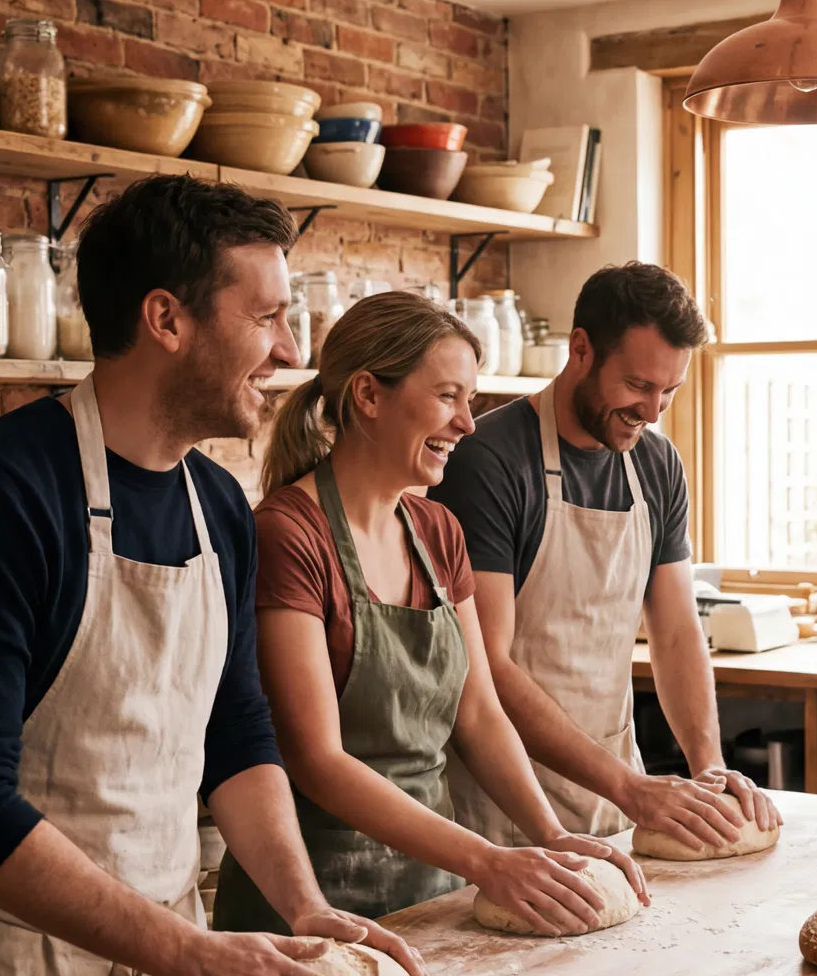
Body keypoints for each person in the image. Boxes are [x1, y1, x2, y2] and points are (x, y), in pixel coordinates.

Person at [0, 176, 427, 976]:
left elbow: (236, 733)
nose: (292, 351)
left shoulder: (218, 505)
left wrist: (302, 906)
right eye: (265, 317)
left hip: (172, 968)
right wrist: (184, 954)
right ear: (167, 319)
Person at [210, 292, 648, 939]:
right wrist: (485, 859)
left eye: (469, 400)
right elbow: (317, 759)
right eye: (448, 397)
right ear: (368, 395)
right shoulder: (288, 535)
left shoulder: (437, 530)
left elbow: (479, 715)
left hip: (433, 893)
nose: (467, 424)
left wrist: (550, 834)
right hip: (307, 907)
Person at [430, 262, 779, 851]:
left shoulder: (657, 464)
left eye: (670, 390)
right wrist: (628, 786)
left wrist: (709, 765)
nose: (654, 411)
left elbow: (676, 633)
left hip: (615, 801)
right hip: (503, 810)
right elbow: (488, 665)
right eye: (639, 385)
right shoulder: (488, 462)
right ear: (581, 349)